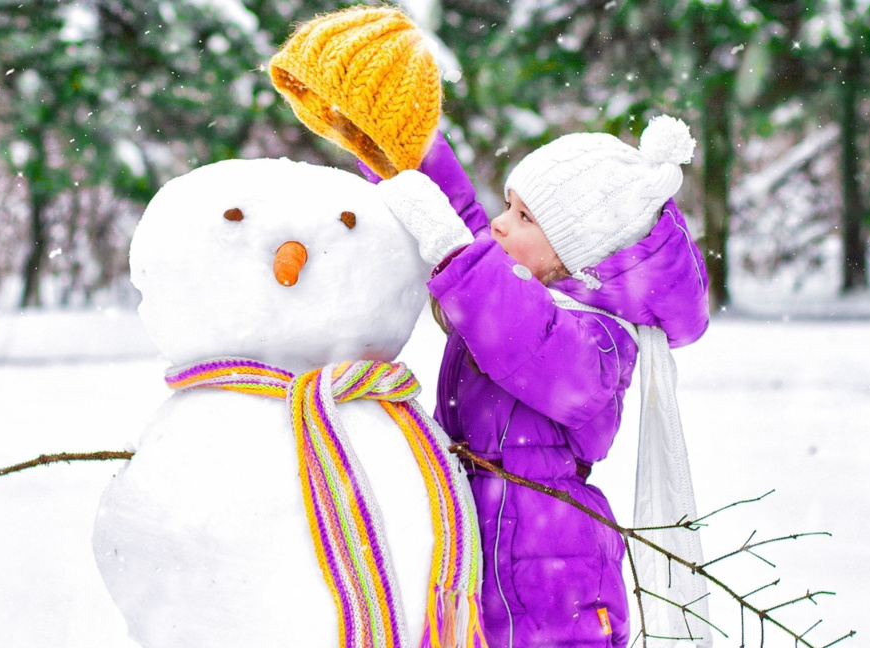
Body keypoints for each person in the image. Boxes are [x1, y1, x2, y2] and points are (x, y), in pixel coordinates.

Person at [270, 7, 712, 648]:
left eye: (525, 218)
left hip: (553, 562)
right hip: (481, 532)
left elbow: (521, 336)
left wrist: (455, 252)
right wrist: (398, 143)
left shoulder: (598, 342)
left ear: (574, 255)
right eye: (509, 205)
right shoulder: (520, 282)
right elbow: (468, 232)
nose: (501, 225)